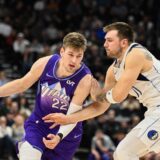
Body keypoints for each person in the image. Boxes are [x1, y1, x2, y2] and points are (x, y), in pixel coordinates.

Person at [43, 22, 160, 160]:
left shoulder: (136, 54)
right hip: (153, 110)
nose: (105, 44)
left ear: (123, 42)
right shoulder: (112, 70)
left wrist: (99, 96)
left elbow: (118, 96)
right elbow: (101, 107)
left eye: (109, 40)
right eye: (105, 40)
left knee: (124, 153)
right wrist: (68, 119)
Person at [0, 32, 96, 160]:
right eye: (71, 54)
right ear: (62, 51)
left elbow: (73, 116)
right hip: (39, 123)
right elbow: (22, 84)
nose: (74, 60)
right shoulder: (45, 63)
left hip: (66, 133)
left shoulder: (84, 78)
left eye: (79, 56)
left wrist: (59, 136)